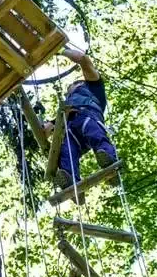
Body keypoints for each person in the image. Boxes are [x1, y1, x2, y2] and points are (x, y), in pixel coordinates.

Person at [44, 45, 118, 191]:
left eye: (70, 87)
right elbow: (45, 131)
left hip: (87, 115)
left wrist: (60, 50)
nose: (68, 91)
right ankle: (68, 177)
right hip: (70, 129)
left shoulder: (93, 87)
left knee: (95, 133)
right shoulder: (64, 111)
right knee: (66, 150)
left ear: (80, 83)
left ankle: (108, 158)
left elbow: (83, 59)